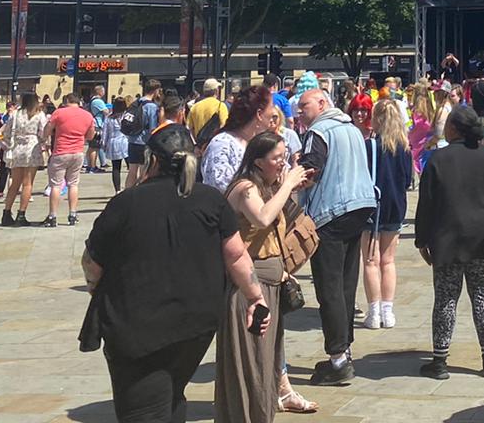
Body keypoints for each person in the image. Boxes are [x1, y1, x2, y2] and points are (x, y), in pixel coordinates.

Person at [83, 124, 268, 423]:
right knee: (170, 394)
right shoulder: (211, 200)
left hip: (138, 327)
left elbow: (93, 262)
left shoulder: (126, 203)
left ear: (152, 160)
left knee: (143, 408)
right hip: (196, 325)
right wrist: (256, 298)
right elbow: (236, 255)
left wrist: (94, 288)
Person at [218, 130, 317, 421]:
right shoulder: (245, 188)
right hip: (249, 288)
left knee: (268, 361)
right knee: (252, 362)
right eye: (276, 158)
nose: (282, 163)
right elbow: (261, 218)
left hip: (272, 282)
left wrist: (293, 186)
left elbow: (277, 223)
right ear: (258, 161)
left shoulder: (269, 186)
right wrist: (287, 184)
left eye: (284, 157)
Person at [414, 104, 484, 379]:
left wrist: (422, 239)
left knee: (446, 298)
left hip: (448, 236)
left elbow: (427, 204)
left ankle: (440, 361)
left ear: (454, 128)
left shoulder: (438, 159)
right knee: (482, 295)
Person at [297, 87, 376, 386]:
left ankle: (338, 358)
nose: (300, 113)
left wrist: (289, 177)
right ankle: (345, 350)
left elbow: (311, 169)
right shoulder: (352, 129)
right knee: (345, 283)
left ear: (321, 103)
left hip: (332, 211)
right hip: (359, 206)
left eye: (304, 107)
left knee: (328, 287)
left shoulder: (319, 132)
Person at [364, 93, 413, 330]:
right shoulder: (404, 148)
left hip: (372, 208)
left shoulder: (369, 146)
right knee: (388, 261)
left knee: (370, 261)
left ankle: (373, 312)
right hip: (395, 206)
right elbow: (407, 181)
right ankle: (388, 310)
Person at [201, 87, 279, 192]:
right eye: (271, 106)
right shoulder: (222, 144)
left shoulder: (259, 143)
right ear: (259, 114)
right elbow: (220, 186)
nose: (274, 111)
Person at [41, 91, 96, 226]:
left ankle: (52, 216)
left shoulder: (59, 113)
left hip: (60, 152)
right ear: (79, 102)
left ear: (66, 101)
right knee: (73, 184)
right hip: (77, 152)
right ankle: (72, 214)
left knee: (56, 185)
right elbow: (90, 136)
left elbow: (47, 130)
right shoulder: (88, 115)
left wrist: (47, 136)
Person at [0, 92, 47, 226]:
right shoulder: (39, 115)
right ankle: (21, 214)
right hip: (31, 148)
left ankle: (6, 213)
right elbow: (43, 133)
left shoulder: (15, 114)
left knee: (15, 183)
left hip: (17, 149)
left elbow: (6, 132)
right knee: (27, 183)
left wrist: (8, 143)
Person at [126, 80, 163, 190]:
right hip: (144, 142)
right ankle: (140, 194)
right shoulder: (151, 107)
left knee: (132, 170)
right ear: (156, 91)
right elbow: (153, 128)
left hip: (132, 140)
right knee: (144, 170)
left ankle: (127, 194)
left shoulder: (136, 103)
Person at [187, 78, 230, 145]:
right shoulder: (220, 106)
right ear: (216, 91)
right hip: (215, 145)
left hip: (200, 147)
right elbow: (224, 126)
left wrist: (196, 145)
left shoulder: (194, 107)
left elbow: (189, 129)